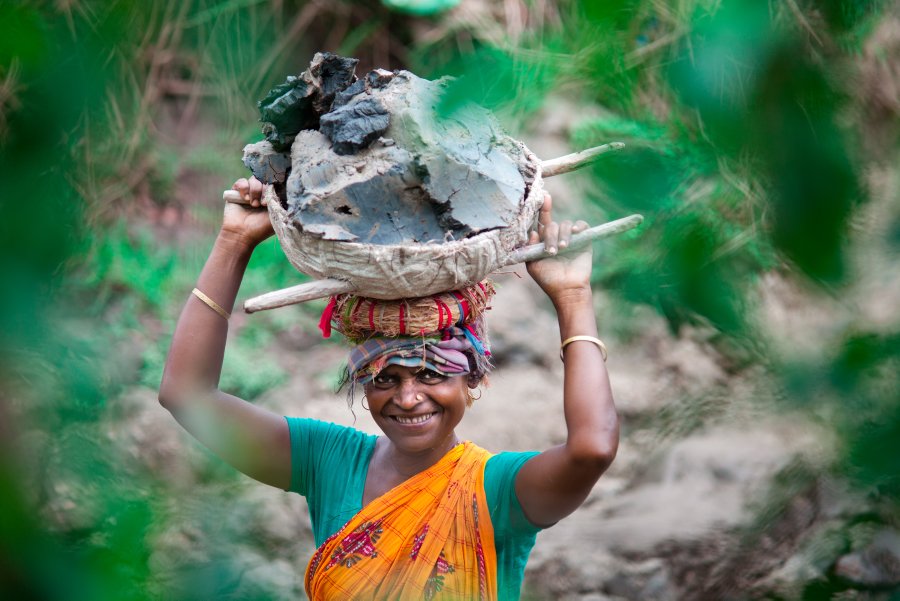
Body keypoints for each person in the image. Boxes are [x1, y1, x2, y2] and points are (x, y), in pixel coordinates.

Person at [158, 176, 619, 600]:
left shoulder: (496, 491)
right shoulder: (330, 462)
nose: (408, 397)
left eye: (432, 374)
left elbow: (592, 449)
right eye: (384, 379)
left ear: (472, 378)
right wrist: (234, 241)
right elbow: (187, 396)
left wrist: (573, 296)